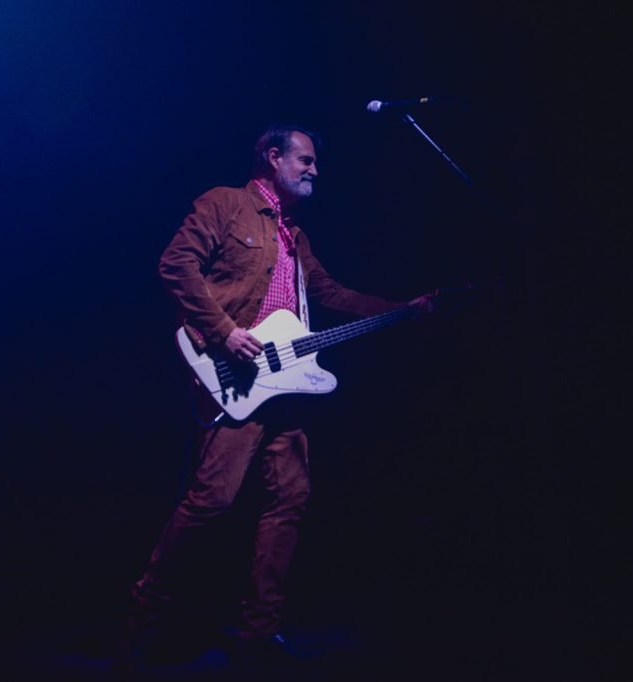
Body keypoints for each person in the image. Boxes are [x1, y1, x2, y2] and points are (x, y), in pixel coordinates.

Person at [120, 124, 435, 671]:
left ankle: (258, 634)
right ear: (273, 157)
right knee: (212, 500)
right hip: (235, 376)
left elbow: (329, 293)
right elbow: (176, 265)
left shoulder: (296, 235)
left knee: (289, 499)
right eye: (306, 160)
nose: (315, 170)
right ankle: (145, 620)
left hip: (286, 384)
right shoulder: (226, 205)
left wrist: (401, 308)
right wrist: (222, 332)